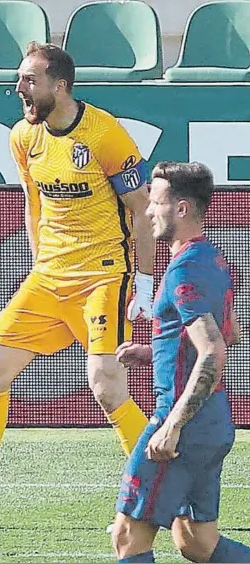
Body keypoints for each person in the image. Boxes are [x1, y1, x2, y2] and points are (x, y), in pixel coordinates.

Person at [0, 42, 155, 527]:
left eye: (29, 79)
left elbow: (141, 208)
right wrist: (40, 264)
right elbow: (33, 205)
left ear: (59, 85)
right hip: (48, 278)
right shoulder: (23, 136)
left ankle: (162, 487)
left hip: (103, 275)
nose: (19, 88)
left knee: (107, 389)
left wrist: (142, 279)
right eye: (20, 78)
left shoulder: (106, 136)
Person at [111, 161, 250, 563]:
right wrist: (158, 350)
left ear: (182, 209)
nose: (149, 211)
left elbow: (213, 350)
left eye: (156, 203)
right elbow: (231, 333)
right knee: (195, 541)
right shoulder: (215, 260)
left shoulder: (182, 270)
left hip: (183, 425)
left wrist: (172, 426)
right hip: (214, 424)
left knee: (127, 537)